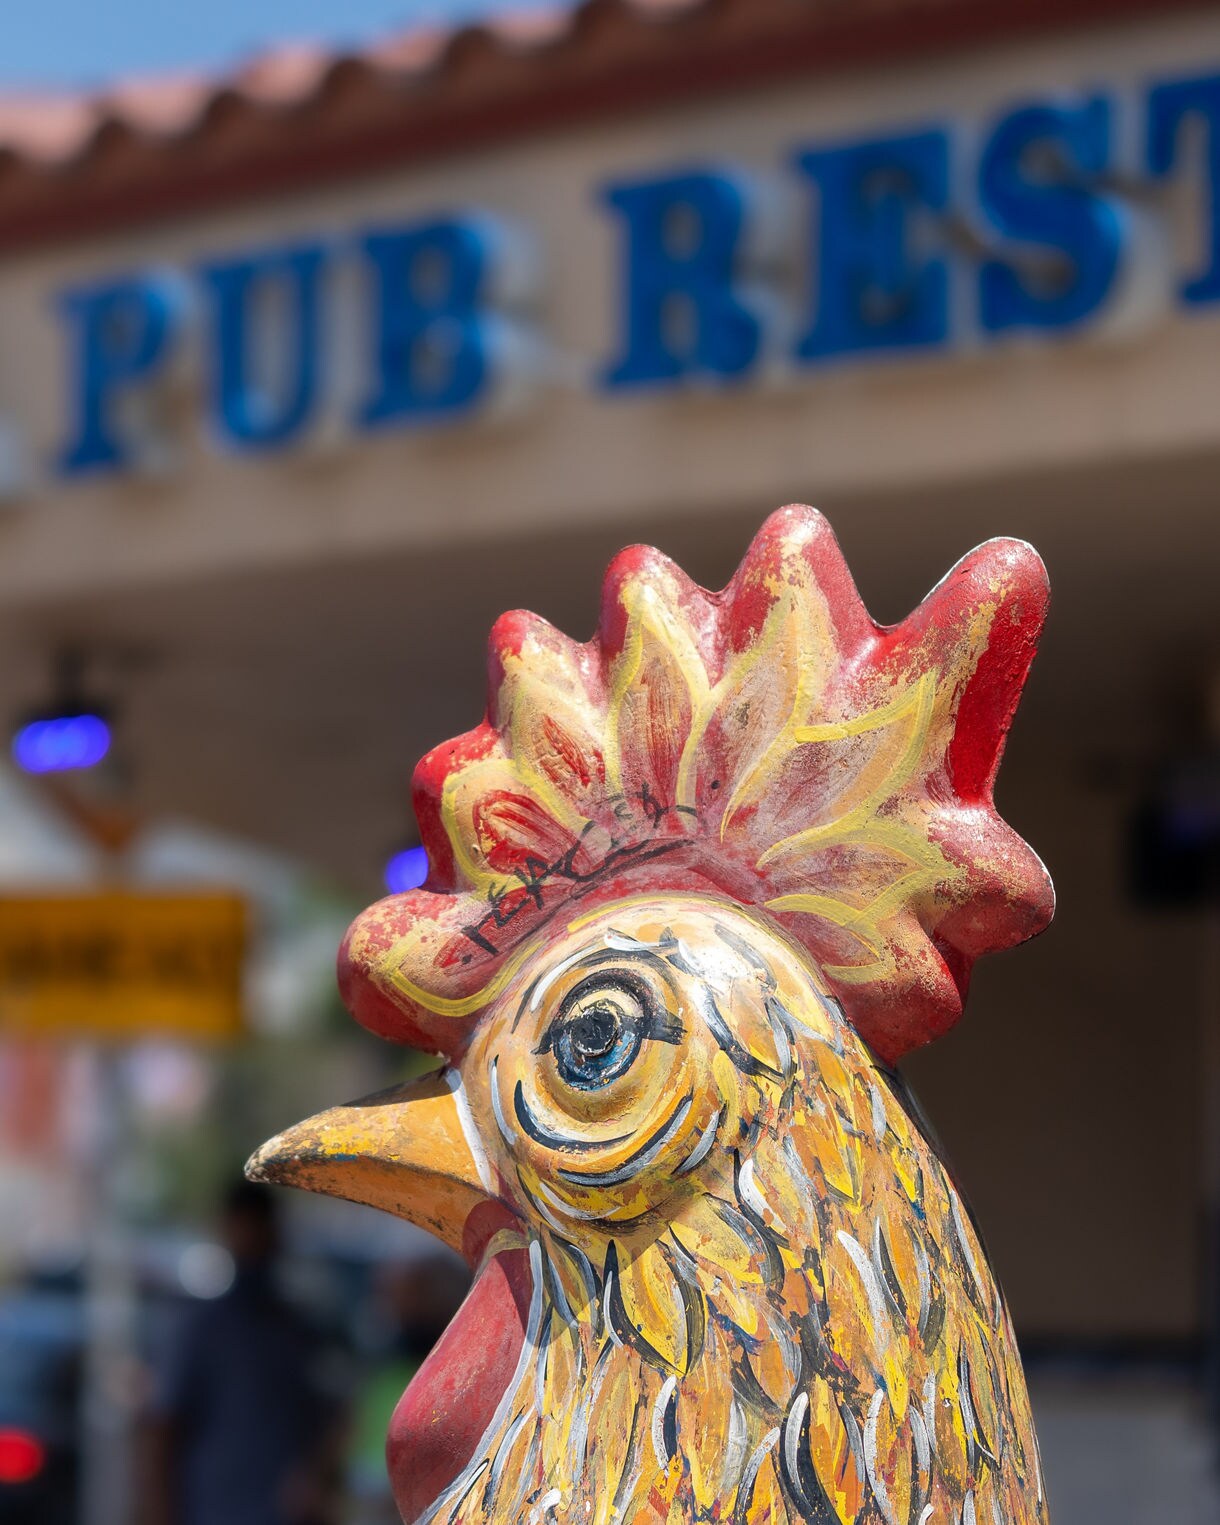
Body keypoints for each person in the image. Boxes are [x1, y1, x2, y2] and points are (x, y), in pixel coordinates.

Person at [142, 1181, 347, 1525]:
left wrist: (316, 1477)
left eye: (261, 1227)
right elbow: (163, 1430)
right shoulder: (201, 1329)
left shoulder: (299, 1330)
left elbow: (333, 1420)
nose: (254, 1239)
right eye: (245, 1227)